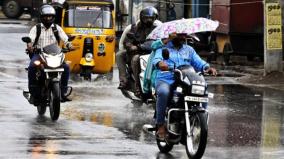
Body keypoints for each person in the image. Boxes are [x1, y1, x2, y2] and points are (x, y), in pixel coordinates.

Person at [152, 33, 217, 140]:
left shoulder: (189, 50)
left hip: (185, 78)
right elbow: (156, 59)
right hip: (166, 78)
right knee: (164, 92)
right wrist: (160, 63)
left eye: (184, 35)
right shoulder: (163, 47)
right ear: (173, 35)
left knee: (203, 88)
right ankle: (160, 125)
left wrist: (207, 68)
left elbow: (199, 63)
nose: (183, 38)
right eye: (180, 35)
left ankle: (200, 121)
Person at [27, 4, 73, 103]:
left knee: (66, 67)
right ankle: (33, 94)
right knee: (32, 67)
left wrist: (69, 45)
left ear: (53, 17)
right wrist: (30, 46)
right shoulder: (36, 28)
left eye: (50, 16)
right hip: (39, 54)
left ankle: (63, 93)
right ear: (41, 17)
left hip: (55, 55)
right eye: (46, 16)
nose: (48, 18)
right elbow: (30, 39)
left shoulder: (57, 28)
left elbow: (65, 39)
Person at [116, 6, 161, 97]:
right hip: (136, 53)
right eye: (146, 18)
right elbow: (127, 41)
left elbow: (156, 43)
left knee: (137, 59)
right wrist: (129, 45)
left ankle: (141, 86)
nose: (148, 20)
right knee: (122, 55)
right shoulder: (134, 27)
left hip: (152, 53)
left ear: (155, 18)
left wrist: (138, 47)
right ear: (141, 17)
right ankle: (125, 81)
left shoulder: (159, 28)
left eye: (151, 18)